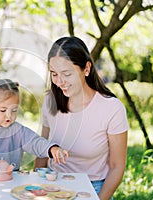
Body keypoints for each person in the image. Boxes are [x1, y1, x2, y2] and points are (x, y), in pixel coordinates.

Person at [34, 36, 128, 200]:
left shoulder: (112, 108)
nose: (59, 81)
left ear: (86, 69)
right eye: (54, 74)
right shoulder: (51, 101)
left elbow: (117, 167)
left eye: (67, 74)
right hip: (52, 183)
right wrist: (35, 187)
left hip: (94, 187)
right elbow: (43, 148)